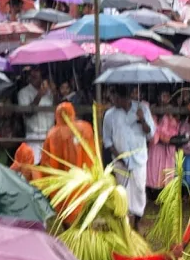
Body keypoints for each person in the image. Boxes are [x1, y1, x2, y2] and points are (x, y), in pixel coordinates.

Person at [102, 86, 155, 229]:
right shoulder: (109, 115)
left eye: (115, 98)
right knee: (122, 192)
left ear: (125, 98)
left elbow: (150, 134)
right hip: (120, 161)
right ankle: (123, 223)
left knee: (139, 190)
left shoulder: (142, 109)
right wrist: (119, 156)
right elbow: (107, 140)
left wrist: (142, 119)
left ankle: (137, 222)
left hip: (139, 159)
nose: (113, 101)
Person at [39, 102, 96, 176]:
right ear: (73, 112)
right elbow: (92, 154)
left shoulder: (52, 134)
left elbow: (46, 162)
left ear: (56, 115)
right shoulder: (85, 128)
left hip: (61, 181)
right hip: (84, 178)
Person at [16, 68, 55, 163]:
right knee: (33, 168)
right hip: (34, 137)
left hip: (50, 136)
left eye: (37, 71)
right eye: (32, 73)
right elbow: (27, 113)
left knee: (52, 168)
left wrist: (55, 92)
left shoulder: (50, 92)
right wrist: (40, 95)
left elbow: (58, 108)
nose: (34, 74)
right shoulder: (23, 93)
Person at [146, 90, 179, 192]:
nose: (164, 98)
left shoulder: (172, 109)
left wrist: (170, 116)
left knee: (166, 168)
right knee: (154, 167)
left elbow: (175, 126)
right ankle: (153, 190)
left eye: (167, 96)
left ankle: (166, 190)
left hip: (167, 146)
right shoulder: (153, 108)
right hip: (156, 145)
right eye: (163, 96)